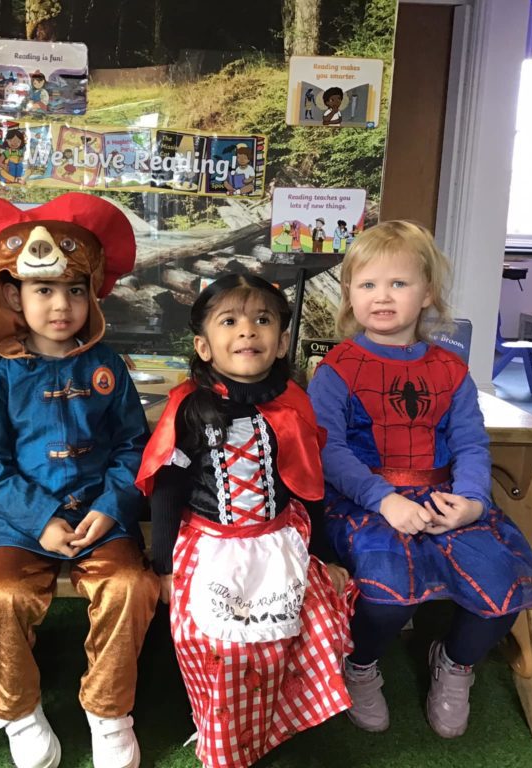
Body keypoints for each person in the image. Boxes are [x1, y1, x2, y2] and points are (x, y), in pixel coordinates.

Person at [307, 220, 532, 738]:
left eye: (398, 283)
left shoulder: (451, 371)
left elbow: (470, 443)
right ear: (350, 294)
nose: (382, 296)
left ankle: (456, 663)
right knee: (386, 591)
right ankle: (360, 663)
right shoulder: (337, 368)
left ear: (427, 294)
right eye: (368, 284)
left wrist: (471, 501)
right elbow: (328, 450)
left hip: (444, 497)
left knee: (503, 585)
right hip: (365, 501)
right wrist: (384, 500)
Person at [0, 193, 160, 768]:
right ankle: (20, 712)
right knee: (1, 596)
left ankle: (109, 710)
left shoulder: (107, 366)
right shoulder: (0, 376)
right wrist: (40, 518)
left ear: (93, 294)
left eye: (75, 290)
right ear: (13, 296)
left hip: (102, 519)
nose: (61, 305)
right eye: (44, 290)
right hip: (22, 526)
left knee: (129, 586)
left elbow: (132, 446)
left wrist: (112, 504)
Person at [136, 274, 355, 768]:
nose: (247, 331)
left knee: (296, 631)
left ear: (281, 341)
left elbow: (309, 486)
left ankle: (273, 725)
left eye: (262, 320)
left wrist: (323, 555)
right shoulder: (189, 408)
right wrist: (164, 566)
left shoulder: (294, 405)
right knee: (220, 644)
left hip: (277, 542)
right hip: (211, 545)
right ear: (204, 346)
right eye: (230, 321)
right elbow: (168, 489)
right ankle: (222, 733)